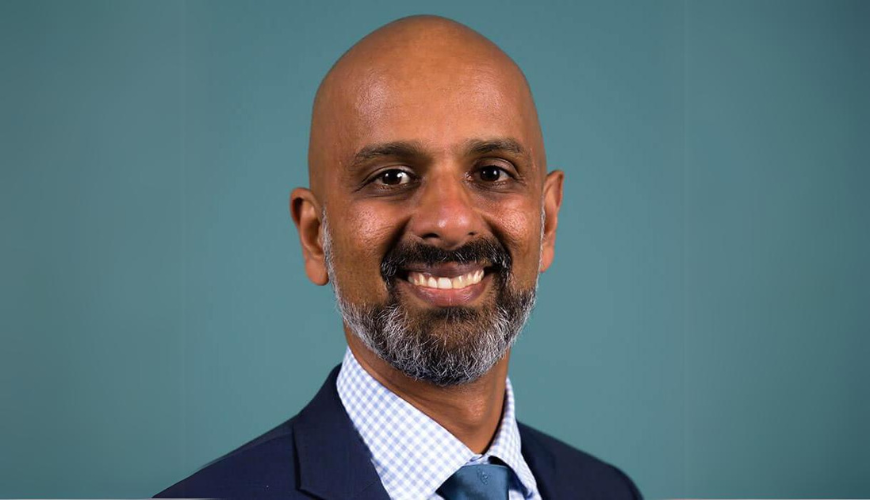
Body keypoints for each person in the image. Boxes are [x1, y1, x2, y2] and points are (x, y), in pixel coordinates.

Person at [157, 15, 641, 499]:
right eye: (392, 177)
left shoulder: (608, 491)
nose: (450, 222)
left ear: (547, 222)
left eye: (492, 173)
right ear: (314, 236)